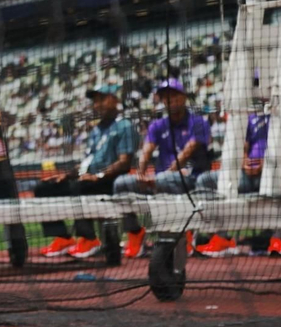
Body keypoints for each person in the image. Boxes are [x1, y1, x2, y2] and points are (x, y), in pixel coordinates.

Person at [114, 78, 218, 260]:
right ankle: (135, 233)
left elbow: (188, 151)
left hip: (190, 178)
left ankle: (186, 231)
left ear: (183, 97)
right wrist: (140, 173)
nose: (169, 100)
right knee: (121, 184)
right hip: (159, 179)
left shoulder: (198, 122)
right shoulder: (157, 125)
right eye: (165, 97)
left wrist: (163, 176)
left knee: (165, 180)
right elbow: (147, 150)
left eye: (173, 96)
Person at [36, 84, 138, 260]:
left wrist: (98, 175)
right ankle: (63, 237)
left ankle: (89, 239)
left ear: (115, 100)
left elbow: (124, 163)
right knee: (43, 188)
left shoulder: (125, 126)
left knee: (79, 187)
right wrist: (66, 175)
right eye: (95, 101)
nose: (97, 105)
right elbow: (86, 163)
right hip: (89, 179)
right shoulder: (96, 130)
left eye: (102, 99)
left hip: (111, 180)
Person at [198, 105, 281, 258]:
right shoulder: (250, 111)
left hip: (279, 173)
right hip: (248, 175)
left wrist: (269, 163)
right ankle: (221, 238)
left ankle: (279, 238)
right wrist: (244, 162)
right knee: (205, 180)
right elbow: (243, 147)